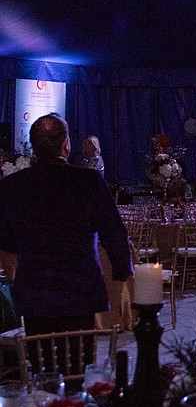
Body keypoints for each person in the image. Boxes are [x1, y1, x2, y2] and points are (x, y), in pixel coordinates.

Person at [0, 113, 132, 336]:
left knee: (40, 354)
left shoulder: (11, 186)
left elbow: (6, 241)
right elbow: (115, 234)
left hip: (34, 294)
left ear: (33, 147)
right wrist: (121, 275)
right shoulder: (89, 182)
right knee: (79, 356)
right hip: (81, 292)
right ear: (66, 145)